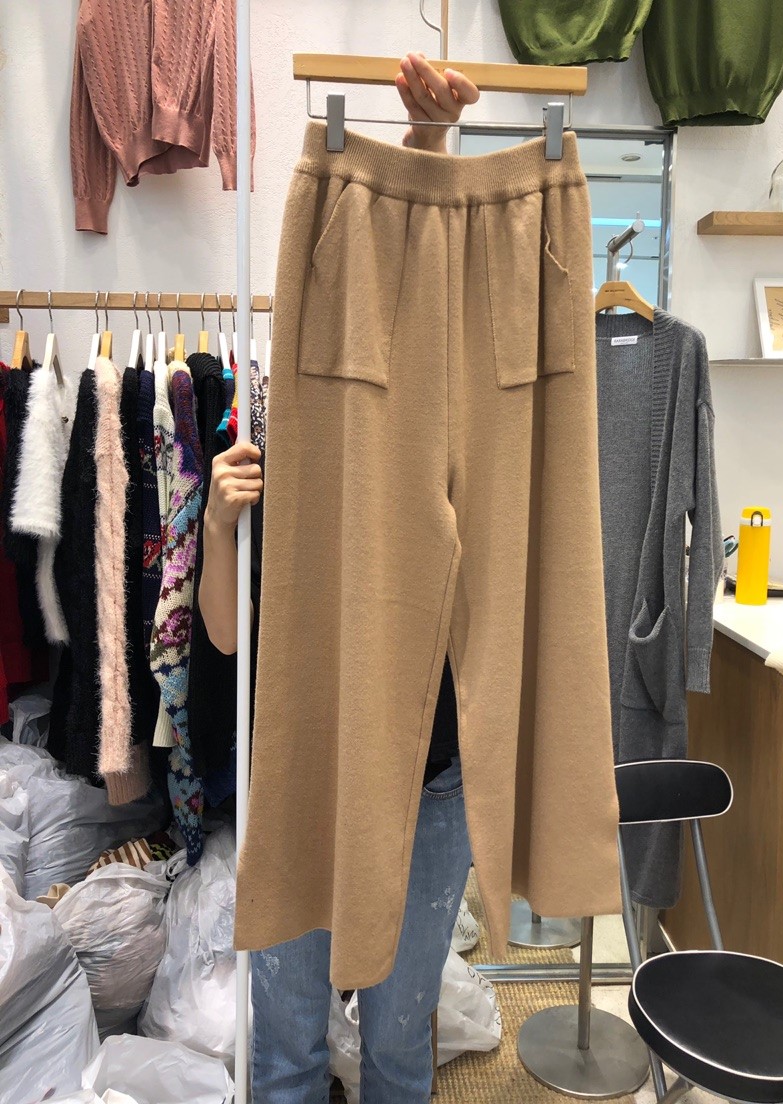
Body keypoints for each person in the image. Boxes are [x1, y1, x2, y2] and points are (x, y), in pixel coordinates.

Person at [199, 54, 481, 1104]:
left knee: (400, 1049)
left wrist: (426, 144)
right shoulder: (272, 430)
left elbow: (421, 294)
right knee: (286, 1055)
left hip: (430, 776)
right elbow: (226, 638)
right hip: (306, 774)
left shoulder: (441, 420)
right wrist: (220, 525)